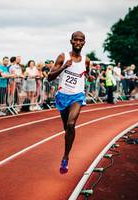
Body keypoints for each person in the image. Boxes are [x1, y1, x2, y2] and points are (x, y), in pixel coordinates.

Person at [48, 31, 94, 174]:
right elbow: (49, 77)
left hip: (77, 96)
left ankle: (66, 157)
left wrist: (90, 77)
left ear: (84, 43)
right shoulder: (63, 56)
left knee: (71, 124)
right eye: (76, 40)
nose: (78, 43)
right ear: (71, 41)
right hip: (63, 96)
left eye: (81, 40)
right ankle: (68, 140)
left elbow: (87, 73)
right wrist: (63, 67)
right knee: (66, 129)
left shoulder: (86, 60)